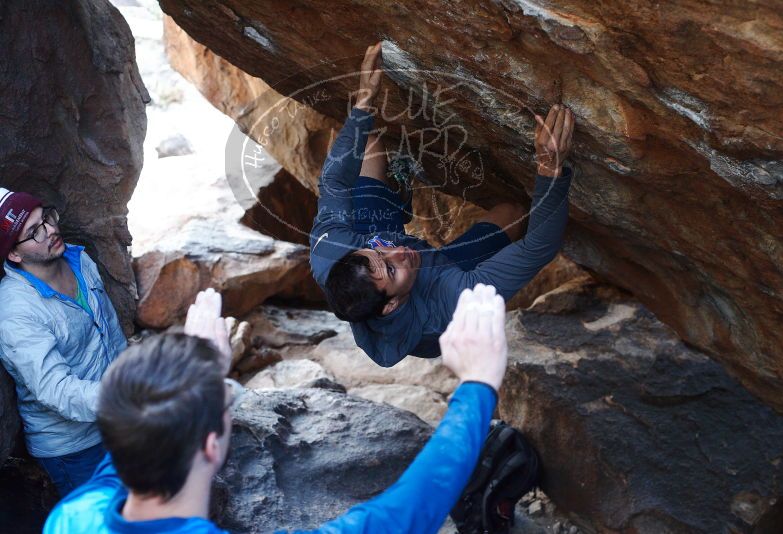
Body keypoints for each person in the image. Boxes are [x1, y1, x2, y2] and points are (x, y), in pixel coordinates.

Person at [44, 283, 507, 534]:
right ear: (211, 446)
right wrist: (478, 382)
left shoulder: (70, 518)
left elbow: (122, 446)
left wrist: (201, 371)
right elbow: (407, 510)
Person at [311, 43, 575, 367]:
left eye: (378, 253)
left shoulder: (330, 251)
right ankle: (396, 207)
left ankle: (396, 202)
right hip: (437, 278)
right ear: (391, 305)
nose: (397, 252)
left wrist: (364, 101)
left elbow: (335, 182)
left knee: (368, 146)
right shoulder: (449, 302)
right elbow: (537, 249)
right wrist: (550, 170)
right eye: (391, 269)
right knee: (513, 213)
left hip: (375, 235)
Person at [0, 188, 128, 496]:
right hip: (73, 449)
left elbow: (112, 332)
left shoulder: (78, 259)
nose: (52, 230)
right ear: (14, 254)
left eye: (46, 217)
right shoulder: (16, 311)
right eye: (34, 231)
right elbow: (55, 390)